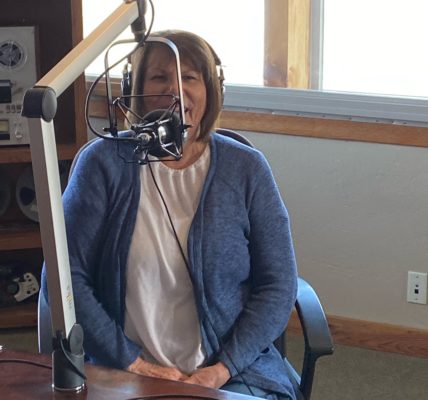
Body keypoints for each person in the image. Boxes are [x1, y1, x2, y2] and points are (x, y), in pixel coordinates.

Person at [40, 29, 298, 399]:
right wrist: (134, 365)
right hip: (122, 373)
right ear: (134, 88)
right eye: (159, 77)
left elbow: (278, 284)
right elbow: (65, 280)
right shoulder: (102, 165)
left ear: (212, 90)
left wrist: (220, 370)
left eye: (189, 77)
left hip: (231, 375)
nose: (175, 89)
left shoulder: (247, 169)